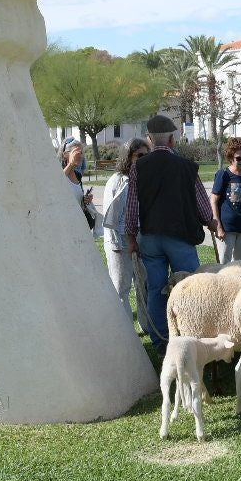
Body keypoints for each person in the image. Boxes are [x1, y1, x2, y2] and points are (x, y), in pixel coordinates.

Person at [122, 115, 220, 353]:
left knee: (155, 288)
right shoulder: (186, 167)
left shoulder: (139, 167)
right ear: (173, 140)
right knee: (189, 286)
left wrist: (131, 237)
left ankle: (162, 342)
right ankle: (190, 336)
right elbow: (201, 201)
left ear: (150, 140)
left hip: (151, 238)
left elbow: (132, 205)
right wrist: (211, 221)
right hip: (180, 236)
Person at [101, 138, 155, 336]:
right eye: (139, 156)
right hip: (119, 243)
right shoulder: (116, 181)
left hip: (140, 240)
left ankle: (146, 325)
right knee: (121, 288)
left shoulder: (145, 180)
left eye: (146, 156)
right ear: (129, 157)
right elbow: (111, 217)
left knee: (143, 285)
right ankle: (124, 332)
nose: (143, 160)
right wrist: (120, 243)